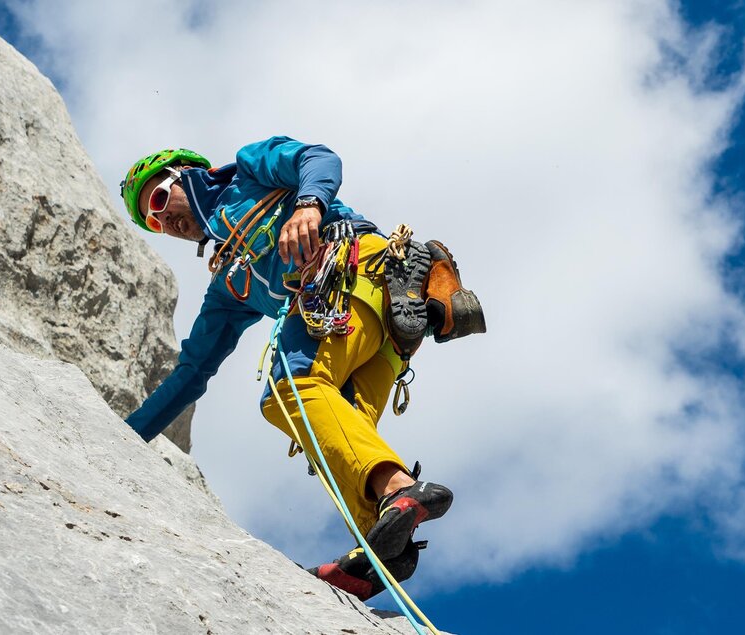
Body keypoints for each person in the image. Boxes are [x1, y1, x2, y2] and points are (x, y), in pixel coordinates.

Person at [118, 136, 485, 600]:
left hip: (353, 274)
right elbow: (191, 373)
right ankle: (381, 545)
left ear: (189, 176)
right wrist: (122, 438)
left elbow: (318, 157)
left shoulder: (250, 174)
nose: (164, 220)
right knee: (333, 431)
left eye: (157, 199)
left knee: (289, 392)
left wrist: (309, 205)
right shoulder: (230, 281)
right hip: (380, 330)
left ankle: (397, 490)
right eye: (153, 223)